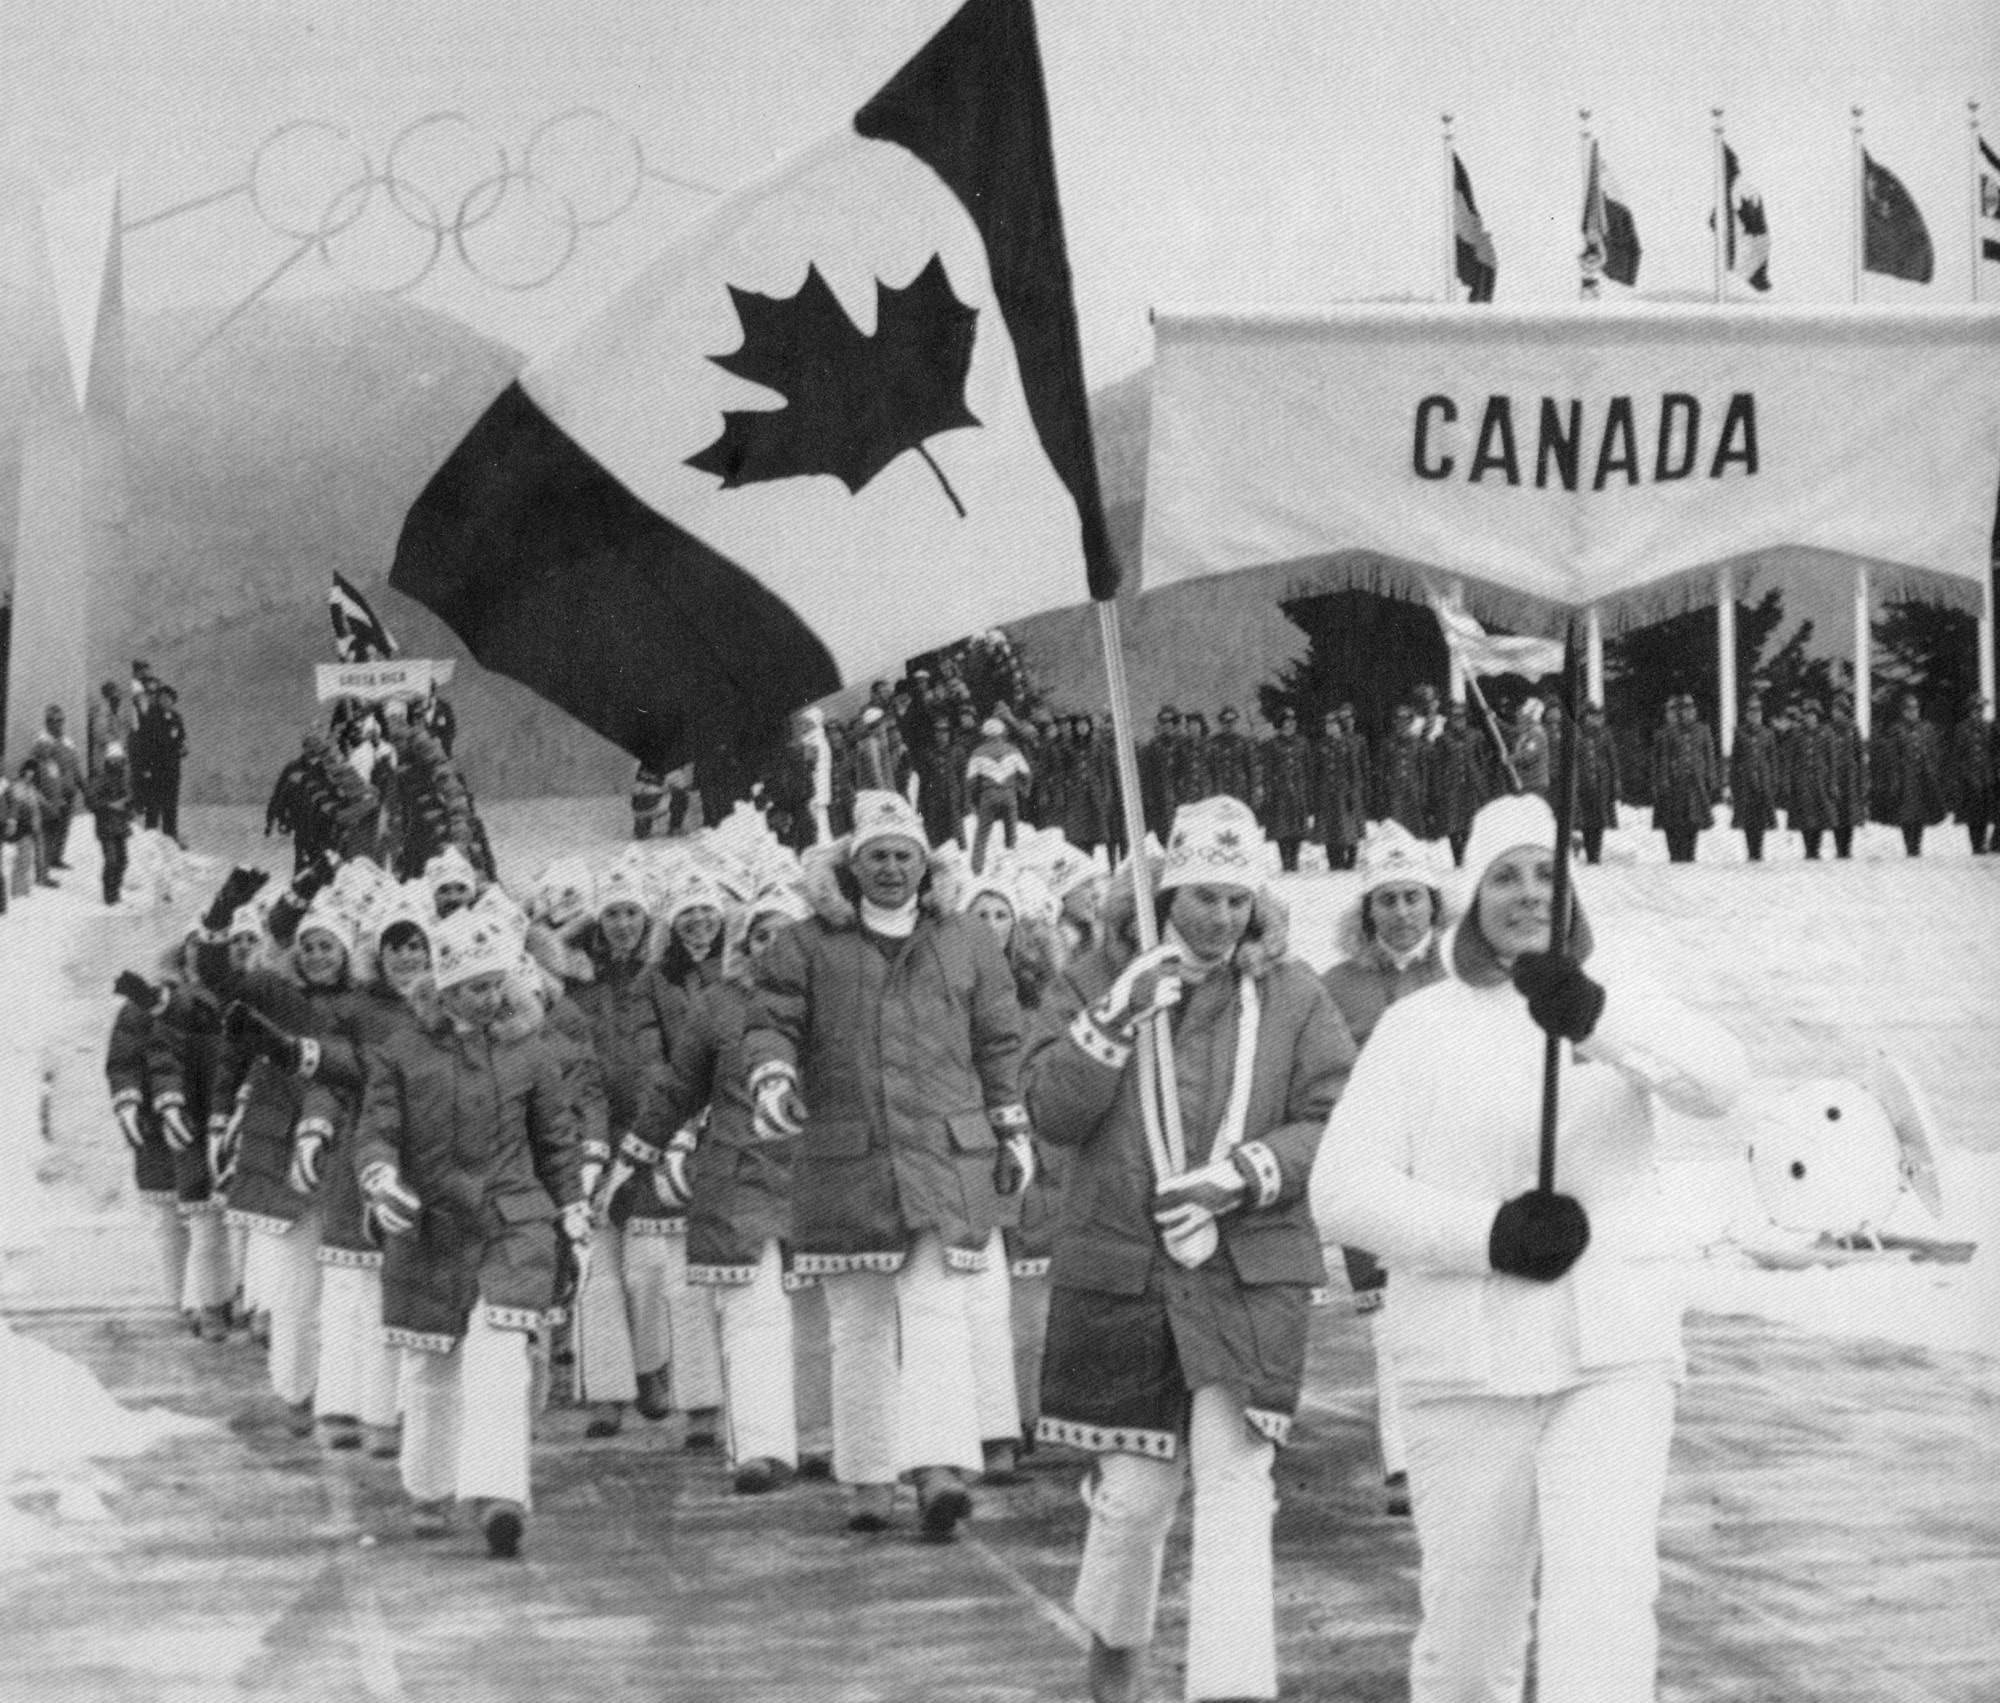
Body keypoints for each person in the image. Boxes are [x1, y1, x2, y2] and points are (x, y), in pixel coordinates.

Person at [1310, 792, 1749, 1703]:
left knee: (1605, 1606)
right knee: (1470, 1632)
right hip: (1467, 1362)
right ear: (1471, 898)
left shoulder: (1621, 998)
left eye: (1547, 873)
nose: (1528, 893)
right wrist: (1486, 1235)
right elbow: (1343, 1190)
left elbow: (1721, 1082)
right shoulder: (1418, 1026)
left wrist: (1597, 1022)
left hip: (1611, 1352)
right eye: (1505, 876)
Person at [1024, 795, 1351, 1703]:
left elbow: (1335, 1120)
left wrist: (1242, 1174)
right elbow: (1051, 1111)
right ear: (1166, 892)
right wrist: (1113, 1017)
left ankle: (1233, 1686)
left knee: (1240, 1479)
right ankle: (1115, 1648)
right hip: (1127, 1269)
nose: (1218, 917)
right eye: (1200, 895)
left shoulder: (1293, 992)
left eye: (1235, 899)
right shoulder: (1100, 975)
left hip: (1247, 1271)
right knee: (1132, 1493)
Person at [743, 789, 1030, 1540]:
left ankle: (939, 1466)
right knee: (859, 1323)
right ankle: (869, 1476)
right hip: (847, 1156)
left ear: (925, 863)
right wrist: (773, 1075)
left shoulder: (965, 938)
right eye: (878, 856)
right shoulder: (805, 945)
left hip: (943, 1151)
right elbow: (770, 1023)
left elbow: (998, 1038)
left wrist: (1013, 1124)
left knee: (938, 1312)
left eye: (905, 855)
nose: (893, 869)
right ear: (852, 863)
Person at [354, 908, 587, 1556]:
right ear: (443, 987)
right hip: (432, 1225)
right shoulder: (402, 1053)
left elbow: (557, 1143)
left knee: (500, 1358)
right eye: (471, 987)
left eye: (494, 984)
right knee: (433, 1364)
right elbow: (376, 1129)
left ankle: (498, 1493)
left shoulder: (531, 1053)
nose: (486, 998)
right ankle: (429, 1486)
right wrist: (380, 1176)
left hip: (515, 1223)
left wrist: (573, 1210)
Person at [642, 880, 815, 1494]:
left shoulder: (832, 996)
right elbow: (677, 1086)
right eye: (760, 934)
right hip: (738, 1173)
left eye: (785, 935)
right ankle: (761, 1448)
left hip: (814, 1171)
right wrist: (644, 1150)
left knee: (817, 1310)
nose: (772, 947)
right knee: (753, 1311)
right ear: (743, 943)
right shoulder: (715, 1006)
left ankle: (817, 1435)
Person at [1318, 820, 1451, 1517]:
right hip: (1375, 1166)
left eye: (1412, 897)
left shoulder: (1463, 972)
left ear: (1434, 902)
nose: (1401, 912)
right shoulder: (1337, 985)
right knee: (1389, 1322)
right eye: (1387, 899)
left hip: (1454, 1164)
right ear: (1366, 910)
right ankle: (1405, 1460)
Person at [1873, 692, 1946, 858]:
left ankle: (1917, 846)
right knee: (1906, 814)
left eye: (1915, 709)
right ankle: (1909, 845)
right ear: (1903, 712)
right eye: (1909, 709)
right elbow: (1891, 756)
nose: (1913, 712)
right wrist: (1895, 778)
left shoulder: (1926, 728)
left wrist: (1932, 769)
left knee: (1921, 814)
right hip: (1905, 778)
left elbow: (1934, 751)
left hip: (1923, 778)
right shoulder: (1896, 730)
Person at [1649, 695, 1717, 864]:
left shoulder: (1703, 730)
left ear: (1695, 711)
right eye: (1684, 711)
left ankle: (1690, 854)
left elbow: (1709, 756)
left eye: (1690, 710)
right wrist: (1660, 782)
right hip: (1675, 783)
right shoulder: (1669, 732)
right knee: (1674, 820)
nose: (1688, 714)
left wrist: (1712, 779)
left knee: (1693, 820)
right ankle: (1676, 856)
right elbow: (1661, 759)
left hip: (1695, 783)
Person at [967, 716, 1033, 875]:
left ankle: (977, 870)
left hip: (987, 795)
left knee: (982, 835)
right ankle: (1011, 868)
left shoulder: (978, 752)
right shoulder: (1013, 750)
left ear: (985, 734)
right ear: (1002, 733)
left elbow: (971, 781)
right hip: (1009, 795)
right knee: (1011, 833)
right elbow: (1027, 773)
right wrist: (1023, 790)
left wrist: (973, 801)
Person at [1255, 706, 1313, 873]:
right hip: (1279, 793)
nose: (1291, 725)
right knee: (1282, 829)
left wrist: (1307, 791)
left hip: (1298, 791)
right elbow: (1267, 771)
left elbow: (1308, 768)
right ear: (1281, 724)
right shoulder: (1272, 745)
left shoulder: (1302, 743)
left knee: (1297, 829)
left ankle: (1294, 862)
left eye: (1293, 722)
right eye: (1287, 722)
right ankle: (1285, 862)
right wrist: (1268, 792)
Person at [28, 705, 85, 874]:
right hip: (52, 793)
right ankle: (42, 866)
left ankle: (56, 857)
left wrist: (83, 786)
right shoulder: (42, 742)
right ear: (47, 722)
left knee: (63, 826)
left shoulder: (68, 741)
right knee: (48, 829)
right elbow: (38, 768)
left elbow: (75, 766)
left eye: (61, 720)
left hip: (68, 791)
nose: (58, 724)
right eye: (53, 721)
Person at [1314, 704, 1370, 872]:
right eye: (1327, 725)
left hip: (1345, 792)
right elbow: (1317, 770)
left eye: (1334, 724)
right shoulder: (1322, 744)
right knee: (1330, 828)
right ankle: (1334, 862)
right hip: (1327, 793)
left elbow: (1355, 770)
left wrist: (1354, 791)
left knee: (1349, 828)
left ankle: (1350, 861)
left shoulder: (1348, 744)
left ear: (1340, 726)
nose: (1330, 728)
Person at [1729, 694, 1781, 862]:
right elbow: (1735, 761)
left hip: (1763, 782)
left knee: (1761, 818)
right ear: (1746, 714)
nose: (1755, 715)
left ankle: (1758, 851)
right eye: (1751, 711)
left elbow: (1773, 760)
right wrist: (1733, 784)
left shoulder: (1768, 734)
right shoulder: (1740, 733)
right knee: (1748, 818)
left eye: (1757, 711)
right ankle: (1751, 852)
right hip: (1745, 782)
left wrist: (1773, 782)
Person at [84, 745, 137, 904]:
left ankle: (116, 891)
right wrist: (109, 805)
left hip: (121, 825)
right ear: (108, 760)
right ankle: (109, 895)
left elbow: (130, 798)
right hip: (106, 825)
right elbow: (90, 801)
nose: (118, 763)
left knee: (123, 861)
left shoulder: (124, 779)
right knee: (112, 861)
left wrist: (130, 809)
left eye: (120, 760)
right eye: (114, 760)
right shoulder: (100, 779)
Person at [1946, 695, 1995, 855]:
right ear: (1970, 711)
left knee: (1986, 811)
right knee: (1972, 813)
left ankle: (1983, 842)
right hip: (1968, 776)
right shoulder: (1962, 729)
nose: (1978, 713)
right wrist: (1960, 775)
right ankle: (1976, 844)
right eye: (1975, 710)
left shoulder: (1988, 727)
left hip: (1986, 775)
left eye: (1980, 710)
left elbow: (1993, 751)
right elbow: (1957, 755)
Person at [1573, 702, 1621, 865]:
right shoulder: (1578, 735)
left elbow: (1612, 759)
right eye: (1591, 716)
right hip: (1583, 782)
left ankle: (1596, 854)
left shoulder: (1605, 734)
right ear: (1585, 717)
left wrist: (1615, 781)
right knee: (1586, 820)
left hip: (1602, 782)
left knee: (1600, 820)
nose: (1595, 719)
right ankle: (1589, 851)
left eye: (1598, 716)